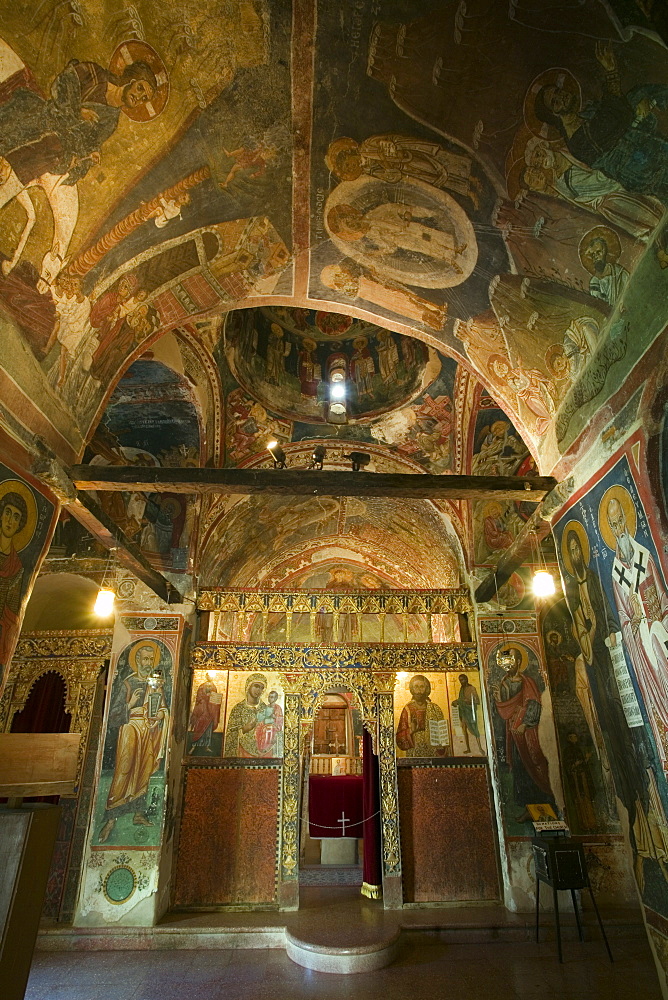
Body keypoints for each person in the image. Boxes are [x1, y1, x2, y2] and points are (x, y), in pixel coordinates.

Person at [533, 41, 668, 204]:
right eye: (555, 102)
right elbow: (614, 117)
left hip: (645, 151)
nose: (561, 96)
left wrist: (645, 101)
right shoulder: (576, 141)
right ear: (554, 114)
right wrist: (611, 72)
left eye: (558, 91)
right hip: (639, 166)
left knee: (640, 93)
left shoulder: (587, 114)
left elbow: (618, 111)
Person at [0, 55, 157, 188]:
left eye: (144, 99)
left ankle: (10, 173)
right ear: (131, 80)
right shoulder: (95, 74)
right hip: (46, 118)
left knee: (56, 149)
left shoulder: (111, 120)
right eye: (140, 88)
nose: (139, 97)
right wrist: (77, 111)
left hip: (57, 144)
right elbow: (61, 83)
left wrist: (92, 154)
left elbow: (90, 142)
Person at [605, 494, 668, 767]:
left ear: (627, 522)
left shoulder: (645, 556)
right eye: (613, 524)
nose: (619, 529)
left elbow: (664, 599)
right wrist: (633, 622)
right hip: (641, 646)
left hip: (660, 636)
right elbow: (621, 617)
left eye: (620, 521)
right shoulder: (615, 571)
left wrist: (659, 620)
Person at [518, 137, 662, 242]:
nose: (540, 161)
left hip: (614, 190)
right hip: (606, 206)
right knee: (648, 229)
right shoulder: (557, 185)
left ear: (543, 146)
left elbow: (595, 170)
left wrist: (609, 182)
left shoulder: (567, 153)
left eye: (538, 154)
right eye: (536, 164)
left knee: (654, 216)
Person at [98, 643, 169, 843]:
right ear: (137, 661)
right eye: (144, 659)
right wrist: (130, 704)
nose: (147, 663)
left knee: (144, 770)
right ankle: (111, 818)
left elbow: (162, 708)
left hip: (148, 730)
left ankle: (138, 813)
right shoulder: (127, 684)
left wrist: (159, 716)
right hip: (130, 730)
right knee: (124, 769)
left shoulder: (155, 684)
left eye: (150, 660)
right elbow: (113, 715)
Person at [492, 645, 555, 818]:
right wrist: (498, 699)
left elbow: (534, 704)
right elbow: (504, 710)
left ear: (519, 662)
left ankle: (544, 804)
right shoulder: (504, 682)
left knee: (534, 761)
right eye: (506, 660)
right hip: (512, 732)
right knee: (519, 767)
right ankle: (527, 807)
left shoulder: (528, 682)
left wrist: (525, 724)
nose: (508, 663)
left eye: (511, 659)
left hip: (527, 732)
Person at [0, 490, 27, 677]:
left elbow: (11, 613)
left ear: (19, 525)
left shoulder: (16, 566)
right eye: (7, 513)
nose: (10, 520)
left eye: (15, 517)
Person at [224, 673, 276, 757]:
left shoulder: (266, 710)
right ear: (248, 686)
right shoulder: (238, 709)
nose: (259, 690)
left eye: (261, 688)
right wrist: (244, 729)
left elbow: (274, 733)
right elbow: (230, 736)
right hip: (242, 753)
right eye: (256, 686)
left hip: (264, 754)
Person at [396, 674, 448, 757]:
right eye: (416, 687)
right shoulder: (407, 709)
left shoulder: (435, 708)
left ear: (426, 688)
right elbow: (399, 737)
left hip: (432, 750)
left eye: (422, 687)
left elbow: (442, 732)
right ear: (412, 689)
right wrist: (410, 730)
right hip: (414, 751)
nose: (419, 691)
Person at [579, 229, 629, 306]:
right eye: (593, 255)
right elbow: (598, 304)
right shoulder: (594, 281)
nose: (596, 257)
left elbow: (629, 292)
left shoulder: (620, 273)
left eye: (598, 252)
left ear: (605, 251)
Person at [188, 674, 222, 754]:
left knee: (208, 729)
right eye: (208, 676)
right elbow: (198, 698)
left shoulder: (214, 687)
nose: (210, 677)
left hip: (210, 711)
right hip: (203, 709)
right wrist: (205, 697)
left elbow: (215, 698)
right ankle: (194, 746)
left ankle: (206, 746)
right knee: (198, 726)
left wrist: (213, 698)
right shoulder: (202, 686)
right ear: (206, 677)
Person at [452, 674, 484, 754]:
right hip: (463, 712)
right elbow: (461, 700)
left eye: (462, 680)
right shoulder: (462, 689)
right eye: (460, 680)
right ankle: (468, 748)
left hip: (470, 712)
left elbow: (477, 701)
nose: (461, 682)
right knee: (464, 729)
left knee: (474, 729)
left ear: (466, 679)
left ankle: (480, 748)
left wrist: (468, 701)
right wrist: (456, 702)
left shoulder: (471, 688)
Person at [255, 690, 284, 755]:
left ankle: (265, 748)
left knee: (268, 729)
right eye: (269, 697)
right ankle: (259, 747)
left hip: (274, 726)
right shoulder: (266, 707)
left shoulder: (277, 708)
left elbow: (280, 719)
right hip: (265, 723)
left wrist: (274, 717)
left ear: (276, 698)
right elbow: (262, 716)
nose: (270, 698)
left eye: (272, 697)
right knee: (258, 728)